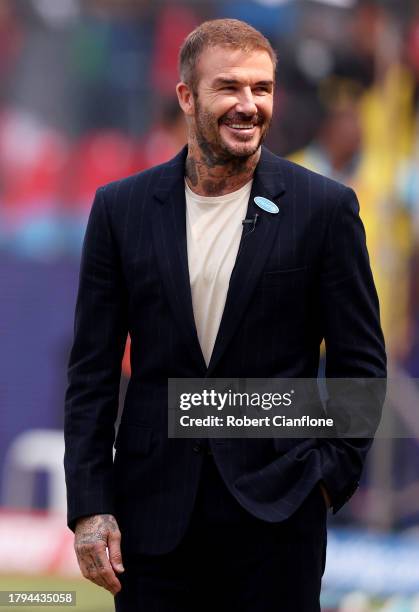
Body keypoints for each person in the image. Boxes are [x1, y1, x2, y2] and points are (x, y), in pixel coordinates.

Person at [64, 18, 386, 612]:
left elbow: (361, 363)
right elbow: (91, 374)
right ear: (187, 95)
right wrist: (89, 506)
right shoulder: (121, 210)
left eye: (261, 89)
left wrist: (326, 478)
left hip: (280, 518)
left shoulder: (324, 208)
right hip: (151, 523)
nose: (249, 105)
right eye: (229, 88)